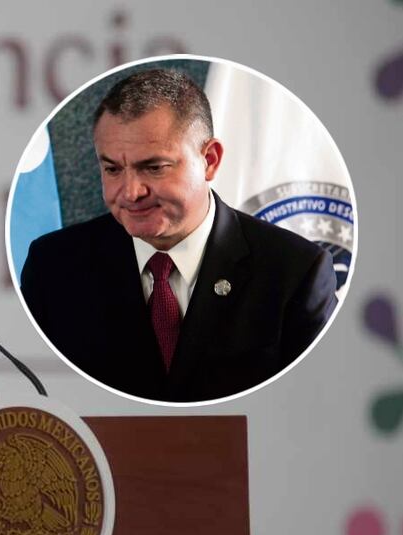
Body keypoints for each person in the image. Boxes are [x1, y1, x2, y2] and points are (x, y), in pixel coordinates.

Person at [19, 68, 338, 403]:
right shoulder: (53, 267)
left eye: (154, 167)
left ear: (210, 161)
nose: (130, 192)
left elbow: (310, 407)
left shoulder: (296, 272)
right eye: (113, 169)